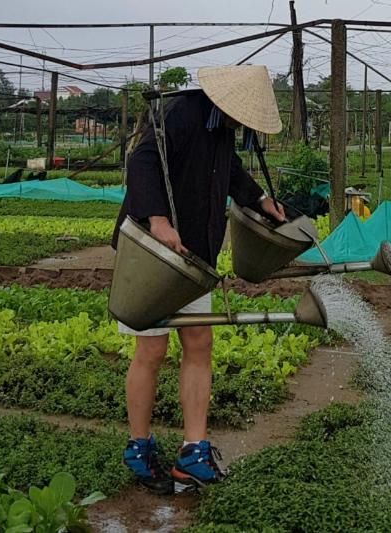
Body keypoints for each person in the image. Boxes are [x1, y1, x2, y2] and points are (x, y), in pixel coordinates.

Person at [111, 65, 285, 495]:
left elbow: (227, 173)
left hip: (194, 259)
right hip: (154, 254)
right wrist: (158, 220)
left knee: (199, 342)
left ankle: (193, 452)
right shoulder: (182, 113)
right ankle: (138, 446)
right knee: (151, 348)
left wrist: (260, 199)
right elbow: (143, 161)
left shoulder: (222, 129)